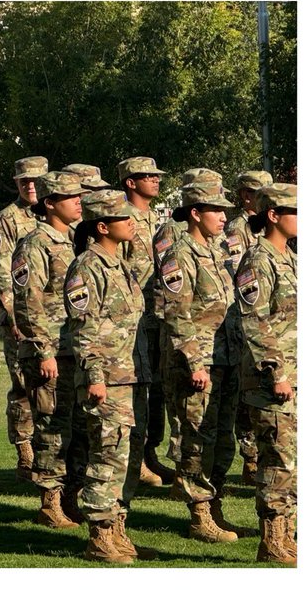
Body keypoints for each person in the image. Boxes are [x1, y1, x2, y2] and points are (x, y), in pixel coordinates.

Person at [64, 188, 151, 564]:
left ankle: (117, 529)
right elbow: (83, 328)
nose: (131, 222)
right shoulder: (87, 266)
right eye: (122, 218)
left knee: (126, 456)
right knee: (105, 455)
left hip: (129, 375)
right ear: (101, 226)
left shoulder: (121, 266)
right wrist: (95, 375)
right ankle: (99, 535)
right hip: (107, 379)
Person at [159, 173, 246, 545]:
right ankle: (199, 514)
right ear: (195, 213)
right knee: (196, 439)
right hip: (198, 365)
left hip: (226, 359)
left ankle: (215, 504)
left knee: (223, 439)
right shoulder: (179, 255)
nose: (223, 217)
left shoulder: (217, 252)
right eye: (216, 210)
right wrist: (195, 362)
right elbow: (175, 313)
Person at [10, 170, 87, 529]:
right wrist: (44, 350)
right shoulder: (34, 244)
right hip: (50, 352)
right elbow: (28, 303)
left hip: (74, 349)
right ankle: (49, 503)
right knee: (52, 428)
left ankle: (72, 498)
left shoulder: (74, 240)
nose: (78, 202)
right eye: (71, 197)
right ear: (50, 203)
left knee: (77, 428)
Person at [235, 183, 297, 565]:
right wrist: (276, 372)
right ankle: (272, 541)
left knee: (294, 461)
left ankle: (287, 535)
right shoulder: (258, 260)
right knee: (277, 460)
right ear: (272, 215)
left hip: (297, 374)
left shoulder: (290, 257)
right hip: (271, 381)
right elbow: (255, 321)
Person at [115, 155, 175, 486]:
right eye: (147, 176)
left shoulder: (158, 219)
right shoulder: (120, 218)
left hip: (159, 319)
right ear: (130, 182)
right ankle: (133, 460)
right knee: (135, 394)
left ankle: (149, 453)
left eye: (156, 175)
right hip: (133, 322)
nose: (155, 179)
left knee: (158, 395)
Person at [0, 155, 45, 479]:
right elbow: (1, 272)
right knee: (23, 387)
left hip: (52, 319)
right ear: (17, 182)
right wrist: (13, 316)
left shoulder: (55, 215)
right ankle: (25, 453)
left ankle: (49, 453)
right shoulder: (6, 220)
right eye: (25, 181)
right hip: (20, 320)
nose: (31, 185)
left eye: (36, 180)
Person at [224, 168, 273, 482]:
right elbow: (238, 272)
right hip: (245, 313)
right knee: (248, 389)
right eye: (259, 192)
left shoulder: (271, 224)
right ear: (245, 195)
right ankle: (251, 457)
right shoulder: (237, 228)